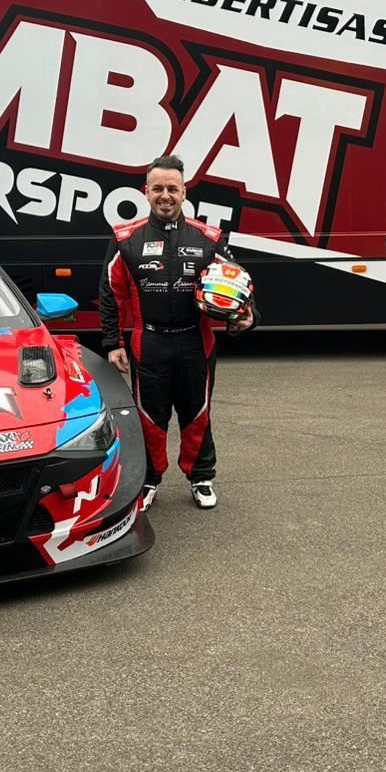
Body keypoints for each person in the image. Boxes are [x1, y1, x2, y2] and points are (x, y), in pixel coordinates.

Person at [99, 156, 255, 510]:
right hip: (148, 342)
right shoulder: (125, 239)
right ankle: (149, 479)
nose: (165, 195)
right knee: (149, 417)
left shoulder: (208, 238)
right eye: (158, 188)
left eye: (172, 188)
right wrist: (112, 342)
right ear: (146, 192)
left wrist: (247, 316)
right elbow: (111, 293)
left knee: (196, 413)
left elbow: (237, 283)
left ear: (184, 192)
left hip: (195, 341)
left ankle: (201, 476)